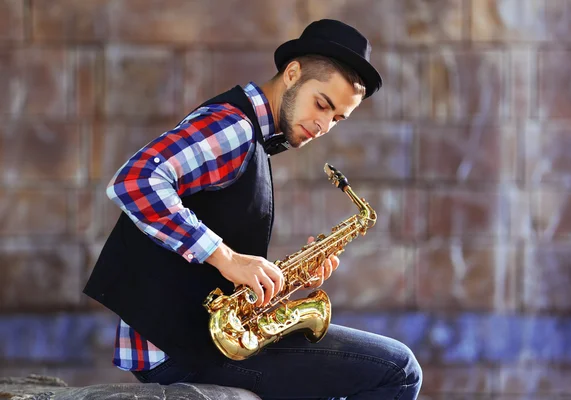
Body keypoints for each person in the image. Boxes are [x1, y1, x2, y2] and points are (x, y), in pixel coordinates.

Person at [84, 19, 422, 400]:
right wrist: (226, 257)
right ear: (292, 73)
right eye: (322, 104)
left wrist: (285, 280)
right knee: (399, 369)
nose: (324, 125)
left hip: (194, 337)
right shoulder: (234, 127)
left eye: (337, 118)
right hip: (184, 349)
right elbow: (135, 181)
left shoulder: (252, 135)